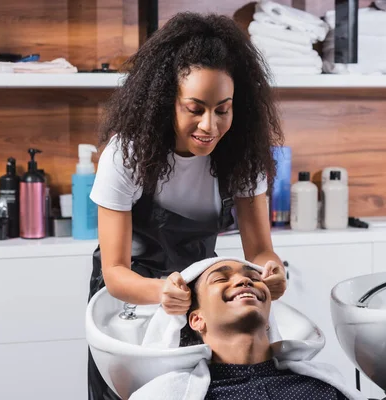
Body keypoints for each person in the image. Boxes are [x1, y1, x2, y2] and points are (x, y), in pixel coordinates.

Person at [87, 12, 288, 400]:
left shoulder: (242, 156)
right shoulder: (126, 154)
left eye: (223, 109)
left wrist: (272, 270)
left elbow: (260, 250)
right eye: (195, 108)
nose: (210, 126)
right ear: (167, 102)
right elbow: (114, 272)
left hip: (198, 294)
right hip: (130, 297)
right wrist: (163, 291)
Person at [130, 259, 367, 400]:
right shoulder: (169, 394)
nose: (244, 282)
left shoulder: (323, 388)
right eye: (220, 279)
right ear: (196, 320)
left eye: (254, 277)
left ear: (268, 319)